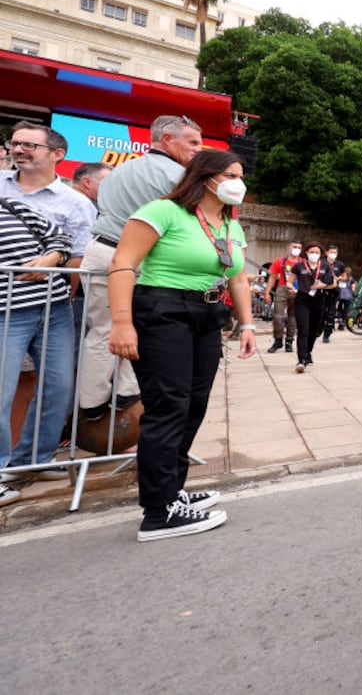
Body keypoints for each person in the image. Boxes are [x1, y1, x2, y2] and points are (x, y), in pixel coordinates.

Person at [108, 150, 255, 541]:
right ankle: (158, 512)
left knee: (195, 402)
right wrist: (122, 323)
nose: (237, 183)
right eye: (229, 174)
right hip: (162, 309)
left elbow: (238, 279)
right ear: (204, 176)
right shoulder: (163, 211)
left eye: (241, 176)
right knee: (168, 404)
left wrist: (247, 324)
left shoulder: (229, 224)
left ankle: (172, 490)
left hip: (207, 314)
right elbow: (123, 263)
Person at [80, 114, 204, 421]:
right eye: (192, 142)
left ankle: (98, 401)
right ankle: (114, 399)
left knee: (101, 329)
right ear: (166, 140)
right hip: (133, 260)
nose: (198, 149)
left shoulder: (118, 172)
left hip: (100, 250)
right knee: (138, 330)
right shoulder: (178, 177)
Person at [0, 198, 74, 506]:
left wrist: (52, 258)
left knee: (59, 387)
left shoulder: (12, 205)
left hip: (53, 308)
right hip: (6, 313)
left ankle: (34, 459)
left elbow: (61, 237)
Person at [290, 242, 336, 373]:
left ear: (321, 254)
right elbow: (289, 281)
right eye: (312, 252)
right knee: (303, 330)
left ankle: (308, 352)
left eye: (317, 252)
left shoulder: (325, 266)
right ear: (306, 253)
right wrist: (292, 288)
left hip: (319, 299)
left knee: (314, 330)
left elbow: (332, 283)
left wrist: (323, 286)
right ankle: (301, 359)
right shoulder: (299, 266)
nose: (314, 255)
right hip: (302, 299)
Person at [265, 240, 302, 354]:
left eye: (299, 247)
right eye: (294, 246)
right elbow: (272, 277)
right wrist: (267, 292)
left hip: (298, 290)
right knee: (277, 316)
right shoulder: (280, 261)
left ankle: (289, 341)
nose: (296, 249)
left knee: (293, 318)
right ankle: (278, 340)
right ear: (289, 248)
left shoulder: (303, 262)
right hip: (282, 288)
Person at [321, 245, 348, 342]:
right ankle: (319, 328)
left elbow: (345, 277)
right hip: (322, 290)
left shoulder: (340, 264)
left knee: (331, 313)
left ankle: (327, 333)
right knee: (322, 312)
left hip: (334, 291)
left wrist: (339, 278)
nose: (333, 254)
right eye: (331, 252)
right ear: (327, 252)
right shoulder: (321, 262)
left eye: (335, 252)